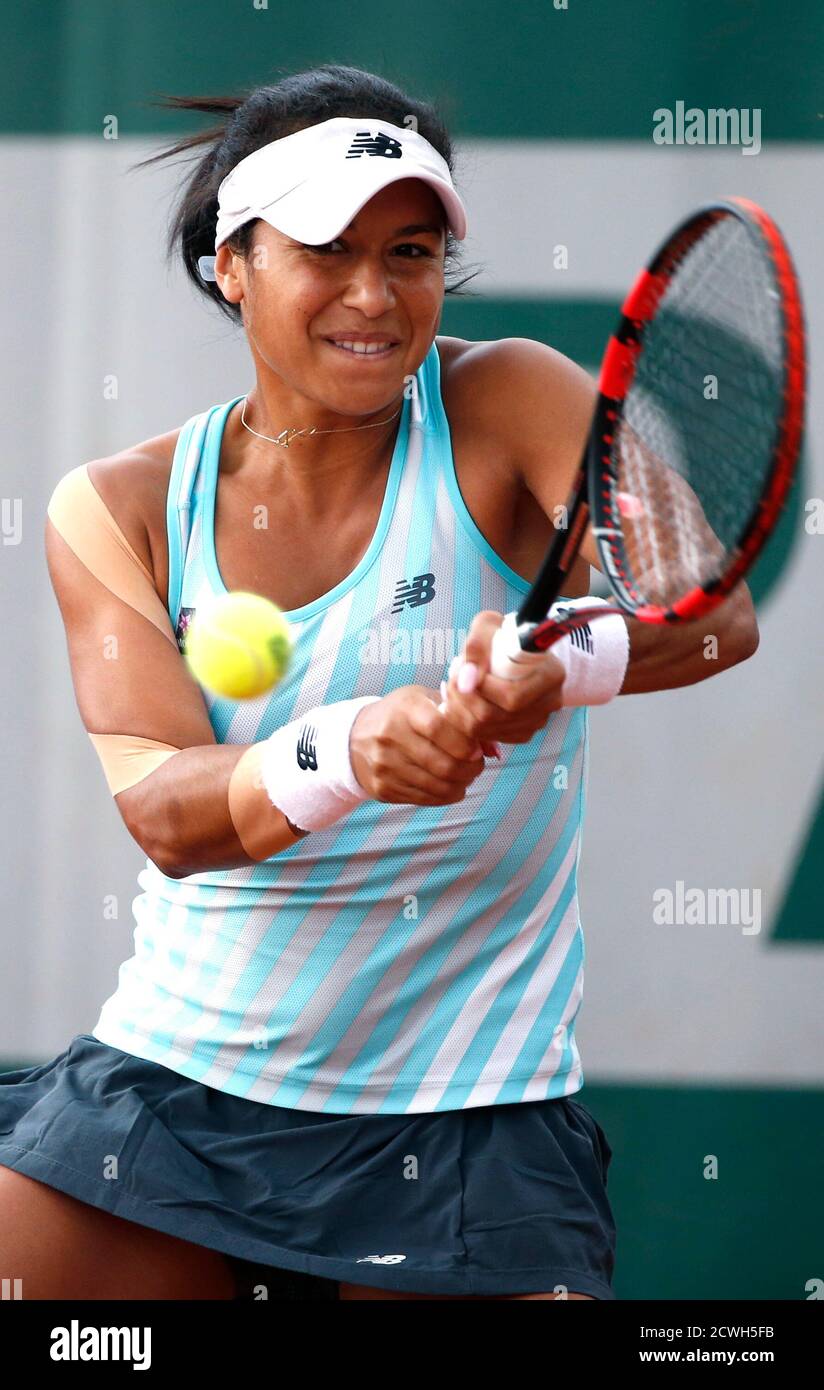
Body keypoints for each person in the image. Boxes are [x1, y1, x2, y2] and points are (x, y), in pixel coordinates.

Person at [0, 64, 758, 1302]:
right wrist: (350, 748)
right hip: (177, 1093)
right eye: (324, 249)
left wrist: (556, 661)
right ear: (230, 262)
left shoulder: (508, 396)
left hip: (470, 1115)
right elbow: (168, 815)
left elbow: (709, 614)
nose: (372, 293)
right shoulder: (119, 507)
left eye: (407, 250)